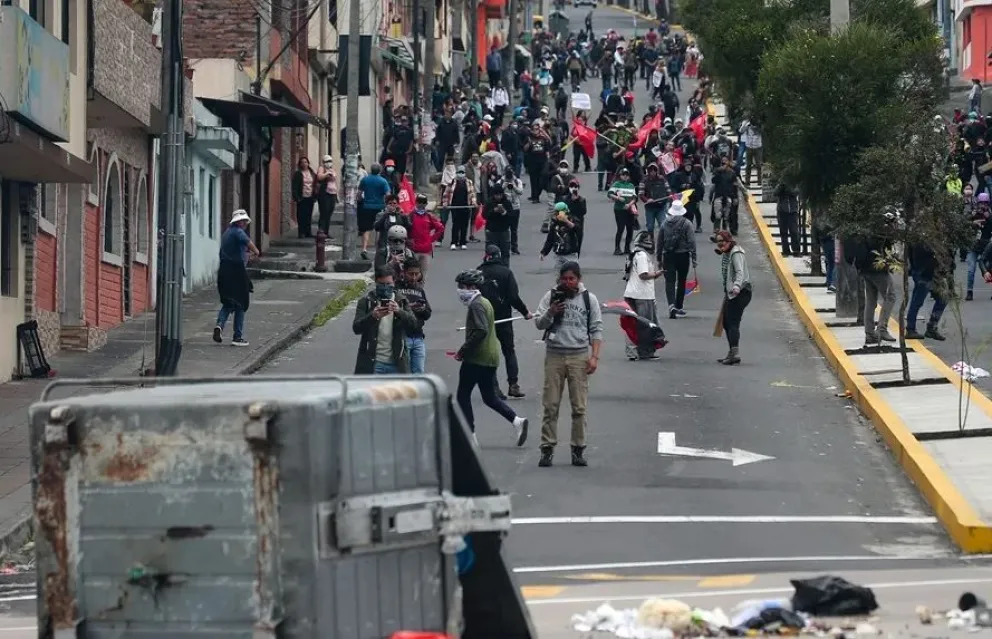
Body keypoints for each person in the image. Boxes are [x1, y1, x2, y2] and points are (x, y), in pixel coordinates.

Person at [534, 261, 603, 468]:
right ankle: (547, 448)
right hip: (554, 356)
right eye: (564, 279)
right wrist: (551, 312)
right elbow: (538, 323)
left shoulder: (589, 300)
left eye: (572, 279)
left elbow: (596, 330)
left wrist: (594, 357)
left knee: (579, 407)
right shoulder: (550, 297)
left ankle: (578, 448)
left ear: (579, 279)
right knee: (550, 405)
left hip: (578, 356)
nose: (568, 282)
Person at [453, 269, 530, 447]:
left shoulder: (476, 305)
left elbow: (481, 330)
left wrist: (463, 351)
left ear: (471, 287)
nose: (459, 290)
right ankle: (517, 421)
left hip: (476, 358)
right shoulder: (485, 302)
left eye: (461, 286)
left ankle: (470, 436)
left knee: (462, 396)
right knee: (489, 397)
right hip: (490, 357)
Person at [479, 245, 533, 399]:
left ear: (486, 256)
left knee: (490, 353)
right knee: (509, 351)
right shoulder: (506, 272)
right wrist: (525, 312)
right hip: (504, 318)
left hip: (485, 319)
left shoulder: (479, 272)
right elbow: (513, 297)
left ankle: (494, 387)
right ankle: (513, 384)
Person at [352, 264, 421, 374]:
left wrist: (399, 311)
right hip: (374, 363)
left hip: (396, 363)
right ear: (376, 282)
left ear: (394, 283)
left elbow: (413, 325)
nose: (385, 287)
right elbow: (356, 328)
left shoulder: (401, 301)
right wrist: (372, 317)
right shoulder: (366, 302)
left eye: (388, 284)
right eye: (381, 284)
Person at [213, 209, 260, 347]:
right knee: (241, 303)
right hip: (237, 272)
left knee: (229, 302)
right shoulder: (238, 232)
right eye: (244, 221)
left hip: (224, 271)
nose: (245, 224)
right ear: (239, 221)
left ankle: (219, 325)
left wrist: (248, 257)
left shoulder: (226, 234)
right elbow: (249, 244)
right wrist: (256, 252)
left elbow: (232, 253)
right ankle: (237, 336)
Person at [623, 231, 664, 361]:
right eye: (649, 240)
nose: (651, 242)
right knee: (646, 325)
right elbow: (643, 274)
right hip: (643, 295)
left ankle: (632, 352)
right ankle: (645, 352)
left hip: (631, 294)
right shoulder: (642, 256)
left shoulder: (634, 253)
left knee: (631, 325)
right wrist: (657, 274)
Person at [715, 230, 751, 365]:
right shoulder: (727, 252)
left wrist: (736, 286)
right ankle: (732, 352)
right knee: (726, 322)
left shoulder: (736, 253)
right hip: (731, 292)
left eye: (722, 241)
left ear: (729, 240)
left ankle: (734, 353)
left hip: (740, 291)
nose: (720, 244)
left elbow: (739, 272)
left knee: (732, 322)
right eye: (718, 242)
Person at [657, 199, 697, 319]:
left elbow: (659, 241)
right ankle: (679, 306)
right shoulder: (687, 224)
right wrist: (694, 258)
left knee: (669, 281)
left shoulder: (664, 223)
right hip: (683, 256)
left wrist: (659, 258)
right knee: (681, 281)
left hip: (668, 255)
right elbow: (692, 242)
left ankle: (671, 306)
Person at [395, 257, 433, 373]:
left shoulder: (420, 291)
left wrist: (422, 309)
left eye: (417, 274)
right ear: (404, 272)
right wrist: (409, 307)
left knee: (419, 373)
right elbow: (391, 311)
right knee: (404, 373)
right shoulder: (396, 289)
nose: (414, 278)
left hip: (418, 337)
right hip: (402, 337)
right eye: (411, 274)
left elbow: (428, 313)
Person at [357, 163, 392, 260]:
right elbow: (388, 195)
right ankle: (377, 250)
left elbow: (359, 194)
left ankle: (364, 249)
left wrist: (360, 201)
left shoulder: (365, 180)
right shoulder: (383, 181)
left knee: (367, 229)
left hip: (366, 207)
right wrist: (386, 205)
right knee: (379, 229)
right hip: (379, 207)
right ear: (380, 170)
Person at [407, 193, 444, 281]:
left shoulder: (429, 216)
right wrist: (408, 241)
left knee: (422, 276)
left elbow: (440, 228)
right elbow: (405, 230)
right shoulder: (410, 216)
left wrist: (430, 239)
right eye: (419, 202)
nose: (421, 204)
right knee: (411, 275)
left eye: (423, 203)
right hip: (413, 251)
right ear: (416, 203)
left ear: (426, 204)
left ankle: (420, 293)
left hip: (426, 251)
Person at [442, 165, 477, 250]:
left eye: (462, 172)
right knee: (456, 224)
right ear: (457, 173)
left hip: (466, 206)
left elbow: (472, 194)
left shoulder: (469, 182)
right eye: (459, 172)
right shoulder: (452, 182)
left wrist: (474, 203)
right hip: (455, 206)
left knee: (464, 225)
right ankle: (454, 242)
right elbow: (446, 193)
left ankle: (463, 242)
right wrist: (445, 203)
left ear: (465, 173)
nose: (461, 174)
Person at [541, 202, 582, 269]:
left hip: (570, 254)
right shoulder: (554, 223)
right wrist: (544, 252)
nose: (556, 214)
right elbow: (550, 239)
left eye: (557, 212)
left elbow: (577, 229)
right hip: (559, 254)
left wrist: (566, 221)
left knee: (572, 271)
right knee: (559, 274)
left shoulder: (572, 219)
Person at [608, 167, 638, 256]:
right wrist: (618, 198)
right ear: (620, 176)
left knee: (630, 229)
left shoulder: (631, 186)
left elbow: (635, 198)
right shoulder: (617, 184)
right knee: (620, 228)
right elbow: (609, 194)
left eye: (626, 175)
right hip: (619, 209)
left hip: (629, 209)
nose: (625, 176)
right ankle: (617, 248)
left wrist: (629, 204)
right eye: (623, 175)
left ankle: (627, 247)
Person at [483, 184, 513, 264]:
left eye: (500, 195)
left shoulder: (507, 203)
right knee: (491, 253)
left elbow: (511, 217)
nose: (498, 197)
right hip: (492, 231)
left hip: (504, 231)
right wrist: (494, 211)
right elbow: (484, 215)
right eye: (497, 195)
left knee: (505, 254)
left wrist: (504, 212)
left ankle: (505, 271)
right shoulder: (489, 202)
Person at [773, 181, 801, 257]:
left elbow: (796, 192)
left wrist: (788, 188)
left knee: (794, 232)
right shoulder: (781, 184)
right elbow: (775, 193)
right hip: (782, 212)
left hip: (792, 212)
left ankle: (796, 250)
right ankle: (785, 251)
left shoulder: (794, 183)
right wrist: (781, 187)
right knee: (783, 232)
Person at [291, 157, 317, 238]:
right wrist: (297, 198)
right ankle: (301, 232)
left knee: (308, 215)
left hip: (310, 197)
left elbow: (316, 184)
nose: (304, 164)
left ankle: (308, 232)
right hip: (302, 197)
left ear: (308, 163)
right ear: (300, 164)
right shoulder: (298, 173)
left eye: (305, 162)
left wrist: (315, 196)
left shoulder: (312, 173)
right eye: (302, 162)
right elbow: (294, 187)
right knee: (301, 215)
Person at [315, 155, 338, 234]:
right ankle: (321, 231)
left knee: (329, 213)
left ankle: (326, 232)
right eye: (327, 161)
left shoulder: (332, 169)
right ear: (323, 162)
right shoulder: (322, 168)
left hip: (333, 193)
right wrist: (326, 174)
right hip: (324, 194)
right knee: (324, 212)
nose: (329, 163)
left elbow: (334, 178)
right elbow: (319, 177)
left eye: (330, 161)